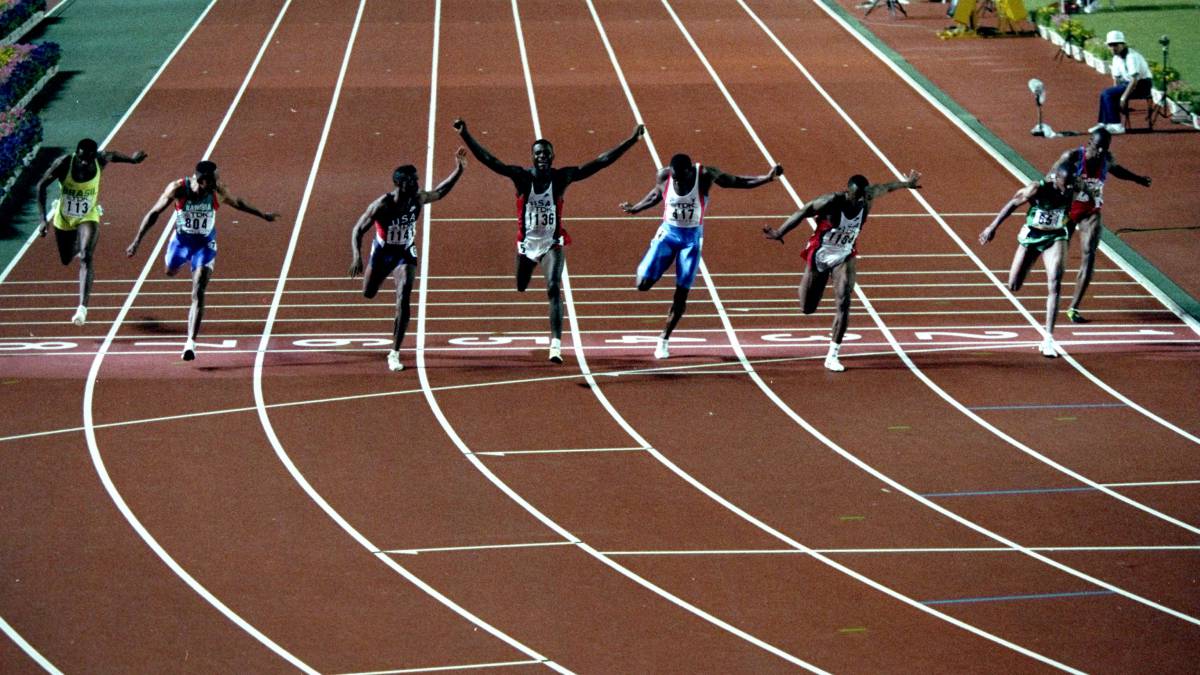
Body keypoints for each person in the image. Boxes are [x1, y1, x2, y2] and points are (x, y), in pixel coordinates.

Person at [453, 118, 645, 364]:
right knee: (521, 285)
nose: (542, 156)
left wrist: (631, 140)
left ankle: (555, 345)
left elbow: (599, 163)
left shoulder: (562, 177)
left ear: (553, 156)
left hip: (551, 243)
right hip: (526, 245)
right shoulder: (522, 178)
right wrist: (466, 134)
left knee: (554, 287)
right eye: (537, 153)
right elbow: (492, 162)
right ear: (532, 157)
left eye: (546, 152)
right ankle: (527, 277)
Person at [620, 154, 783, 359]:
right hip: (668, 235)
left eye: (680, 177)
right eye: (675, 177)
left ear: (689, 171)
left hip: (691, 240)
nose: (677, 180)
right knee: (642, 284)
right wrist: (636, 207)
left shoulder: (705, 175)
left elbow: (737, 182)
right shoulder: (664, 175)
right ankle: (660, 263)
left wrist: (766, 178)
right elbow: (656, 194)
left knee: (681, 293)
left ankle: (664, 339)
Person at [763, 171, 920, 372]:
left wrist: (906, 184)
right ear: (848, 192)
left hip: (844, 254)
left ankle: (832, 355)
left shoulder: (867, 196)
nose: (861, 201)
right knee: (807, 308)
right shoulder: (832, 201)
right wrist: (779, 232)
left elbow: (887, 187)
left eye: (864, 197)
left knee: (844, 299)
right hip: (820, 253)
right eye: (857, 197)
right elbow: (804, 211)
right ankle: (810, 284)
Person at [126, 160, 278, 361]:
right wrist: (137, 241)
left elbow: (238, 203)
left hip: (204, 245)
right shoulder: (178, 189)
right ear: (202, 181)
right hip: (180, 243)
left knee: (198, 290)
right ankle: (178, 261)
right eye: (213, 181)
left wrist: (262, 215)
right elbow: (154, 213)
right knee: (169, 271)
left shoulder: (217, 191)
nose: (218, 183)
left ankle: (190, 343)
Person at [349, 148, 467, 372]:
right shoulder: (382, 206)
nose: (416, 183)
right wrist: (357, 255)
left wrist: (459, 170)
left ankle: (394, 352)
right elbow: (357, 229)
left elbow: (440, 192)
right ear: (400, 184)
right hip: (383, 252)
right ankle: (394, 345)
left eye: (417, 179)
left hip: (405, 252)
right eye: (412, 181)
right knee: (368, 293)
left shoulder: (418, 198)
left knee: (404, 296)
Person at [978, 164, 1086, 358]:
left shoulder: (1075, 186)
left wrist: (1072, 226)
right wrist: (992, 227)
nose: (1067, 188)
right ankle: (1031, 260)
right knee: (1014, 285)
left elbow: (1083, 202)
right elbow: (1013, 203)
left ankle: (1048, 339)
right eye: (1065, 184)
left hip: (1056, 237)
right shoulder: (1037, 188)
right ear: (1056, 179)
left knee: (1055, 283)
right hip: (1031, 237)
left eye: (1071, 185)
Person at [36, 138, 147, 325]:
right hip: (64, 216)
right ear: (76, 155)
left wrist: (133, 160)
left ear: (94, 156)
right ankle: (77, 242)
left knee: (87, 256)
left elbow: (112, 155)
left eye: (88, 159)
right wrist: (42, 220)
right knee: (66, 259)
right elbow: (41, 186)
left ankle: (82, 308)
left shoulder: (99, 159)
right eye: (81, 159)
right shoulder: (64, 163)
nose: (85, 162)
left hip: (88, 214)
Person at [1048, 127, 1151, 323]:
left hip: (1090, 211)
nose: (1101, 152)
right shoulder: (1073, 156)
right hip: (1068, 210)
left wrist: (1138, 179)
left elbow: (1117, 170)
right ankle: (1053, 289)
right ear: (1089, 143)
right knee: (1059, 255)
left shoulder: (1107, 159)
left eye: (1105, 148)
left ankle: (1074, 308)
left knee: (1089, 254)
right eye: (1097, 148)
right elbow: (1050, 176)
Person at [1092, 30, 1151, 135]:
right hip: (1127, 83)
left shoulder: (1131, 56)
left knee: (1107, 93)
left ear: (1123, 44)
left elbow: (1135, 79)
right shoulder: (1116, 58)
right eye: (1110, 45)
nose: (1113, 48)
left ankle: (1116, 125)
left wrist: (1123, 97)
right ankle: (1104, 123)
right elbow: (1117, 79)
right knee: (1105, 93)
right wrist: (1116, 93)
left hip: (1141, 85)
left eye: (1115, 45)